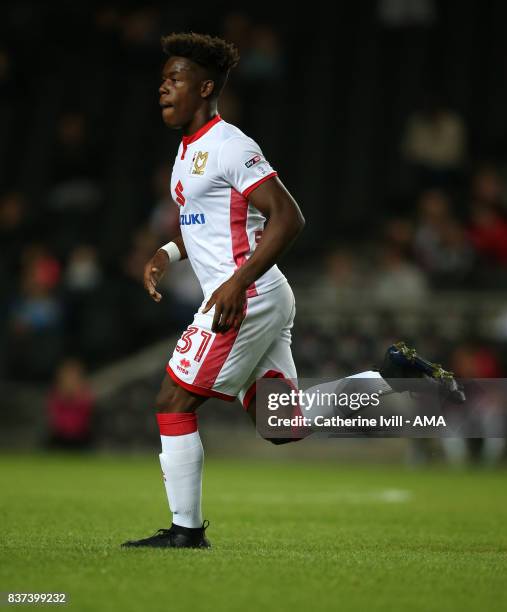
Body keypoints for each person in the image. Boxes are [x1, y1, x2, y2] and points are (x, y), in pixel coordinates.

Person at [121, 33, 464, 550]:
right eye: (162, 79)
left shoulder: (230, 145)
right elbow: (208, 226)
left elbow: (288, 217)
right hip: (255, 292)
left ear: (206, 87)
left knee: (172, 400)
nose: (163, 88)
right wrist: (166, 254)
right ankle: (389, 376)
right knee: (280, 421)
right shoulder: (186, 154)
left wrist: (237, 282)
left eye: (176, 79)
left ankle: (186, 532)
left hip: (245, 296)